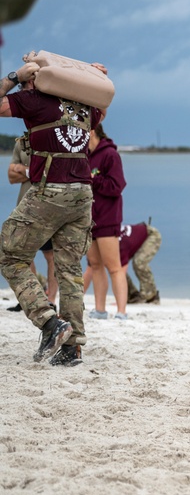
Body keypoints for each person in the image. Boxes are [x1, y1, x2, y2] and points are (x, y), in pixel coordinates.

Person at [0, 57, 108, 367]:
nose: (22, 86)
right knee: (70, 271)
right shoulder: (84, 106)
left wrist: (13, 76)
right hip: (82, 195)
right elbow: (104, 106)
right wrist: (95, 78)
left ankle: (49, 323)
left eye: (25, 83)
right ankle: (72, 348)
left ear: (35, 80)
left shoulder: (34, 100)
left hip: (51, 192)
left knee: (9, 254)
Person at [6, 134, 57, 308]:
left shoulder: (51, 137)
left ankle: (51, 301)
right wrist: (33, 172)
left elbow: (52, 173)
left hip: (46, 209)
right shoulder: (21, 142)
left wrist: (24, 170)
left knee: (50, 255)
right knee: (22, 255)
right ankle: (30, 298)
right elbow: (11, 176)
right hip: (23, 208)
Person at [84, 122, 128, 320]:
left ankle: (121, 312)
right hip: (89, 220)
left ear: (91, 131)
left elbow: (117, 186)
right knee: (94, 265)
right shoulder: (84, 156)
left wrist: (93, 179)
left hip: (108, 218)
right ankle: (100, 309)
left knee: (114, 267)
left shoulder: (110, 154)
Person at [120, 220, 161, 304]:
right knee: (115, 268)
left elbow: (121, 270)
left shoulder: (121, 247)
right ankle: (133, 295)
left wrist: (121, 299)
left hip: (151, 235)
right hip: (135, 239)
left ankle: (151, 295)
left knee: (139, 262)